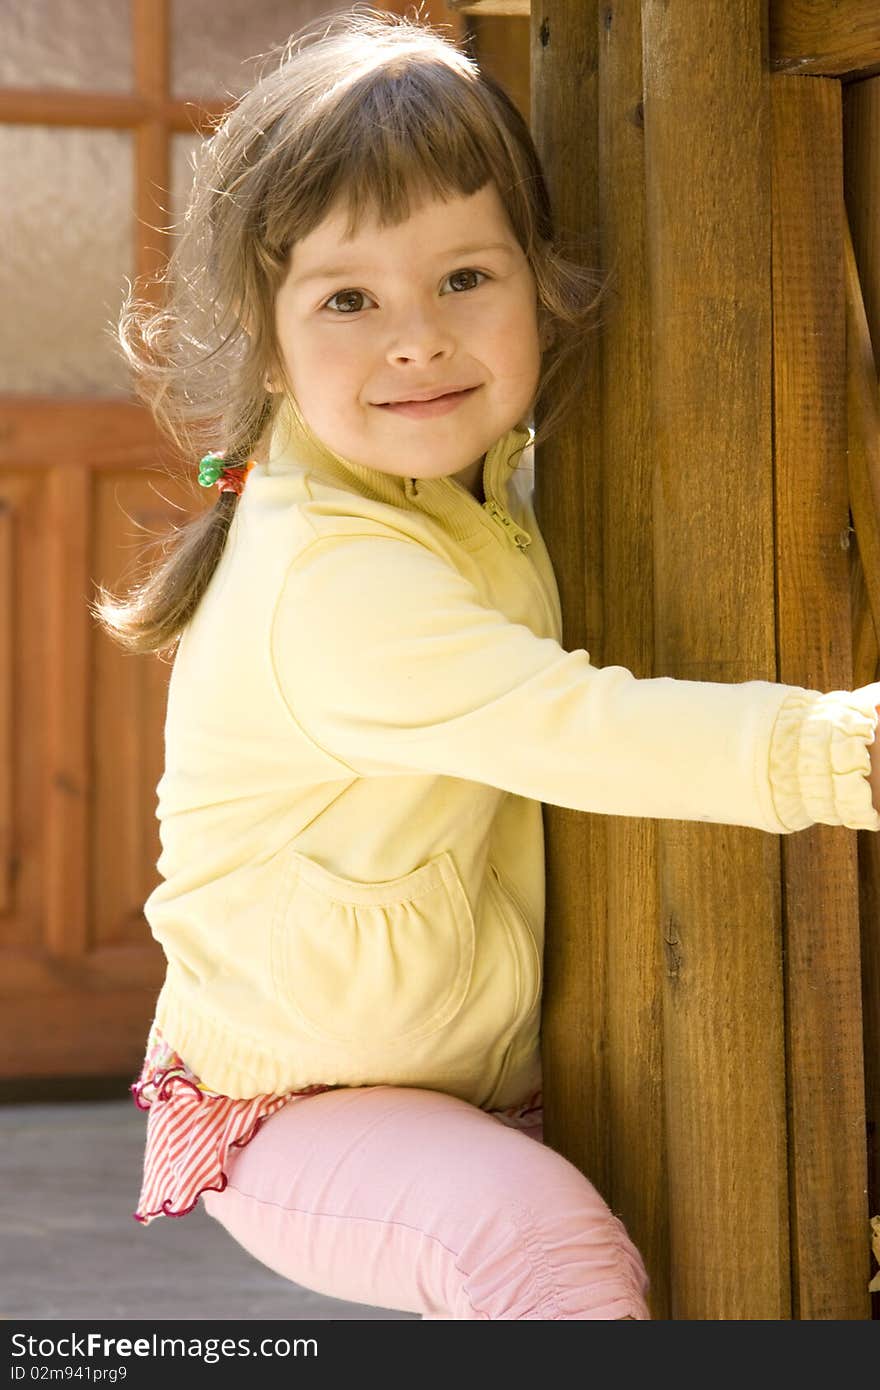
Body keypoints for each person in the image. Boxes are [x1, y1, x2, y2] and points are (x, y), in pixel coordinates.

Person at [92, 6, 880, 1322]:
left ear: (539, 277)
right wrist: (834, 749)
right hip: (292, 1102)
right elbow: (573, 725)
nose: (418, 337)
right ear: (268, 339)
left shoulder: (469, 488)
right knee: (539, 1250)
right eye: (350, 298)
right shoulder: (334, 578)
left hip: (442, 1067)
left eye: (466, 278)